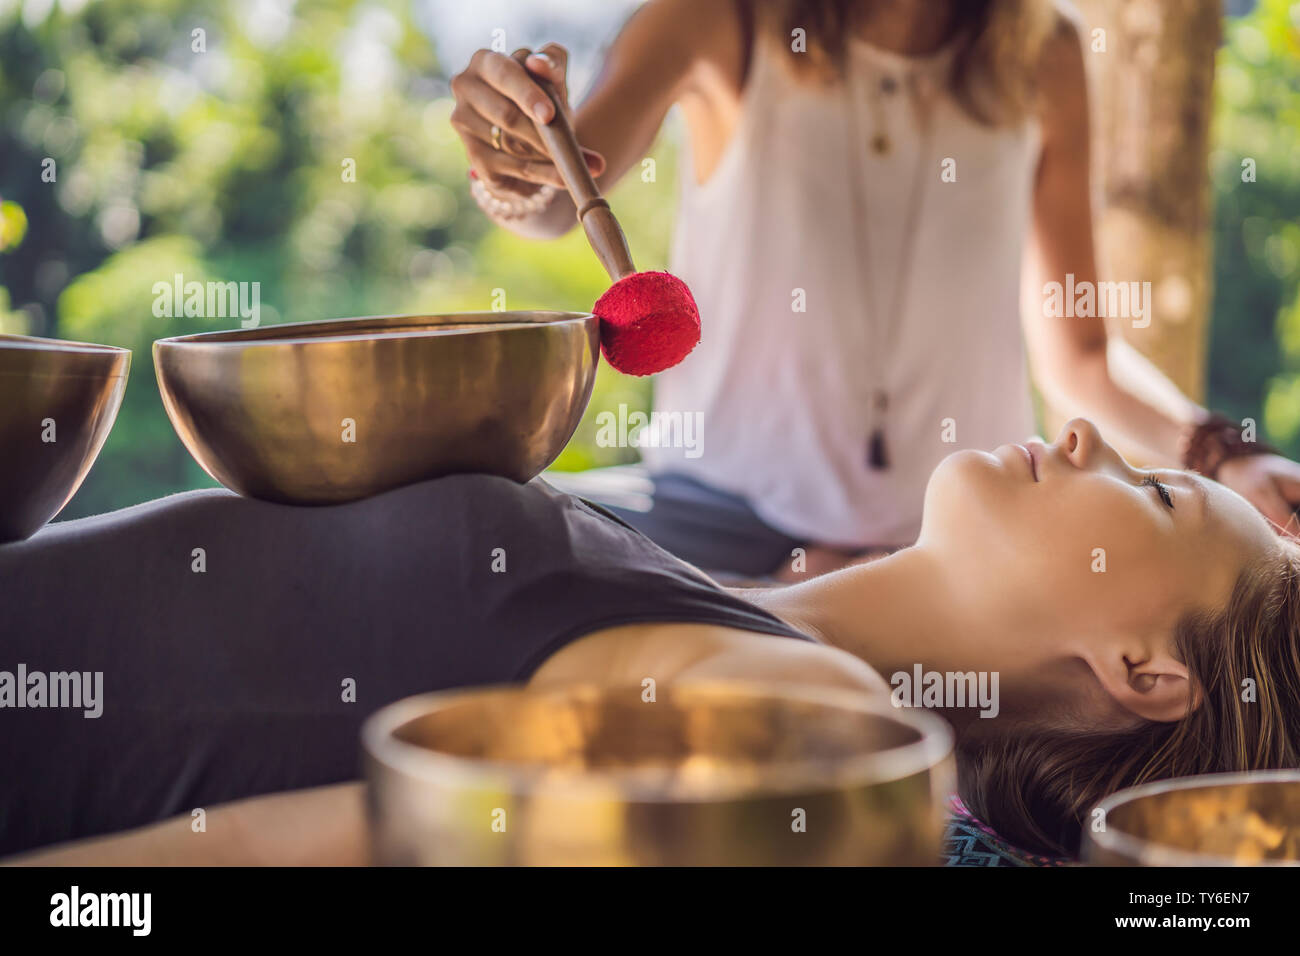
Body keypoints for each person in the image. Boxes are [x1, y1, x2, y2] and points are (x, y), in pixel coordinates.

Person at [2, 417, 1297, 863]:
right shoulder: (718, 589)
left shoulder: (811, 730)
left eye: (1153, 491)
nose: (1083, 437)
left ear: (1150, 673)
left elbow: (255, 856)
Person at [450, 0, 1300, 578]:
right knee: (475, 542)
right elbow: (557, 197)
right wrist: (512, 154)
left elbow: (1081, 356)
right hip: (714, 529)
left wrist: (1227, 455)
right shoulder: (719, 19)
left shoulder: (1045, 52)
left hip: (960, 559)